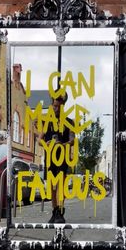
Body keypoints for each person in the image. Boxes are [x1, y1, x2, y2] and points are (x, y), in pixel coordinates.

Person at [38, 92, 74, 223]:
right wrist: (46, 143)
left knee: (62, 186)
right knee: (52, 186)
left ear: (63, 107)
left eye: (58, 106)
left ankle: (60, 210)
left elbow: (72, 140)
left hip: (63, 157)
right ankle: (54, 211)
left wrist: (62, 144)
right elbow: (39, 140)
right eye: (54, 106)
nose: (55, 109)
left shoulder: (69, 122)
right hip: (50, 156)